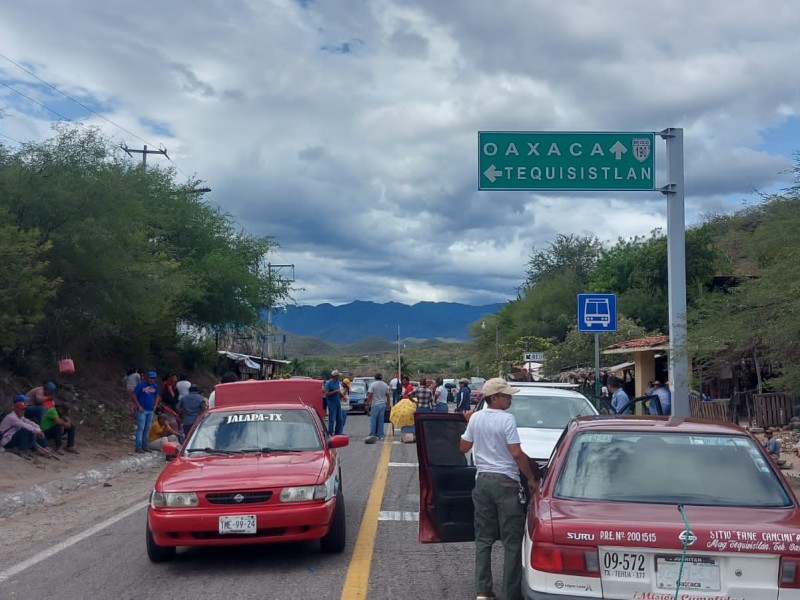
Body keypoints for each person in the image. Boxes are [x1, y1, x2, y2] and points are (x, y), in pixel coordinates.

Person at [459, 378, 538, 600]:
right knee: (511, 541)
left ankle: (483, 591)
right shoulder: (507, 419)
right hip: (507, 483)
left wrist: (468, 425)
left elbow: (463, 447)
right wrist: (531, 477)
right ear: (494, 398)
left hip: (482, 482)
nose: (510, 398)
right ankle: (510, 593)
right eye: (506, 395)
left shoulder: (475, 419)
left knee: (483, 539)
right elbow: (516, 453)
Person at [131, 370, 160, 453]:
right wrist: (138, 406)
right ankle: (138, 446)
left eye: (153, 378)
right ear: (147, 377)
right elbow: (133, 395)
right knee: (141, 428)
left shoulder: (155, 386)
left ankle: (145, 445)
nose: (152, 380)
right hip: (142, 410)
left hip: (150, 410)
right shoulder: (141, 385)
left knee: (147, 428)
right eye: (150, 378)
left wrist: (155, 405)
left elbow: (157, 396)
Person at [365, 373, 390, 441]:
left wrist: (367, 404)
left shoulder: (373, 384)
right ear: (381, 378)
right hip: (383, 404)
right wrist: (388, 405)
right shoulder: (385, 385)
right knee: (381, 420)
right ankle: (380, 435)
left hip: (375, 404)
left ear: (375, 378)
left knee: (373, 420)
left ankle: (372, 434)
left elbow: (370, 395)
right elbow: (388, 395)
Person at [323, 370, 343, 435]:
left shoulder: (337, 382)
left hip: (337, 402)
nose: (339, 377)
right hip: (331, 402)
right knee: (332, 418)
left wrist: (341, 395)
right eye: (338, 376)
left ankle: (338, 432)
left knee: (340, 418)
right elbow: (326, 394)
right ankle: (330, 432)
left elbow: (338, 390)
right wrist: (335, 391)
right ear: (335, 376)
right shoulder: (328, 383)